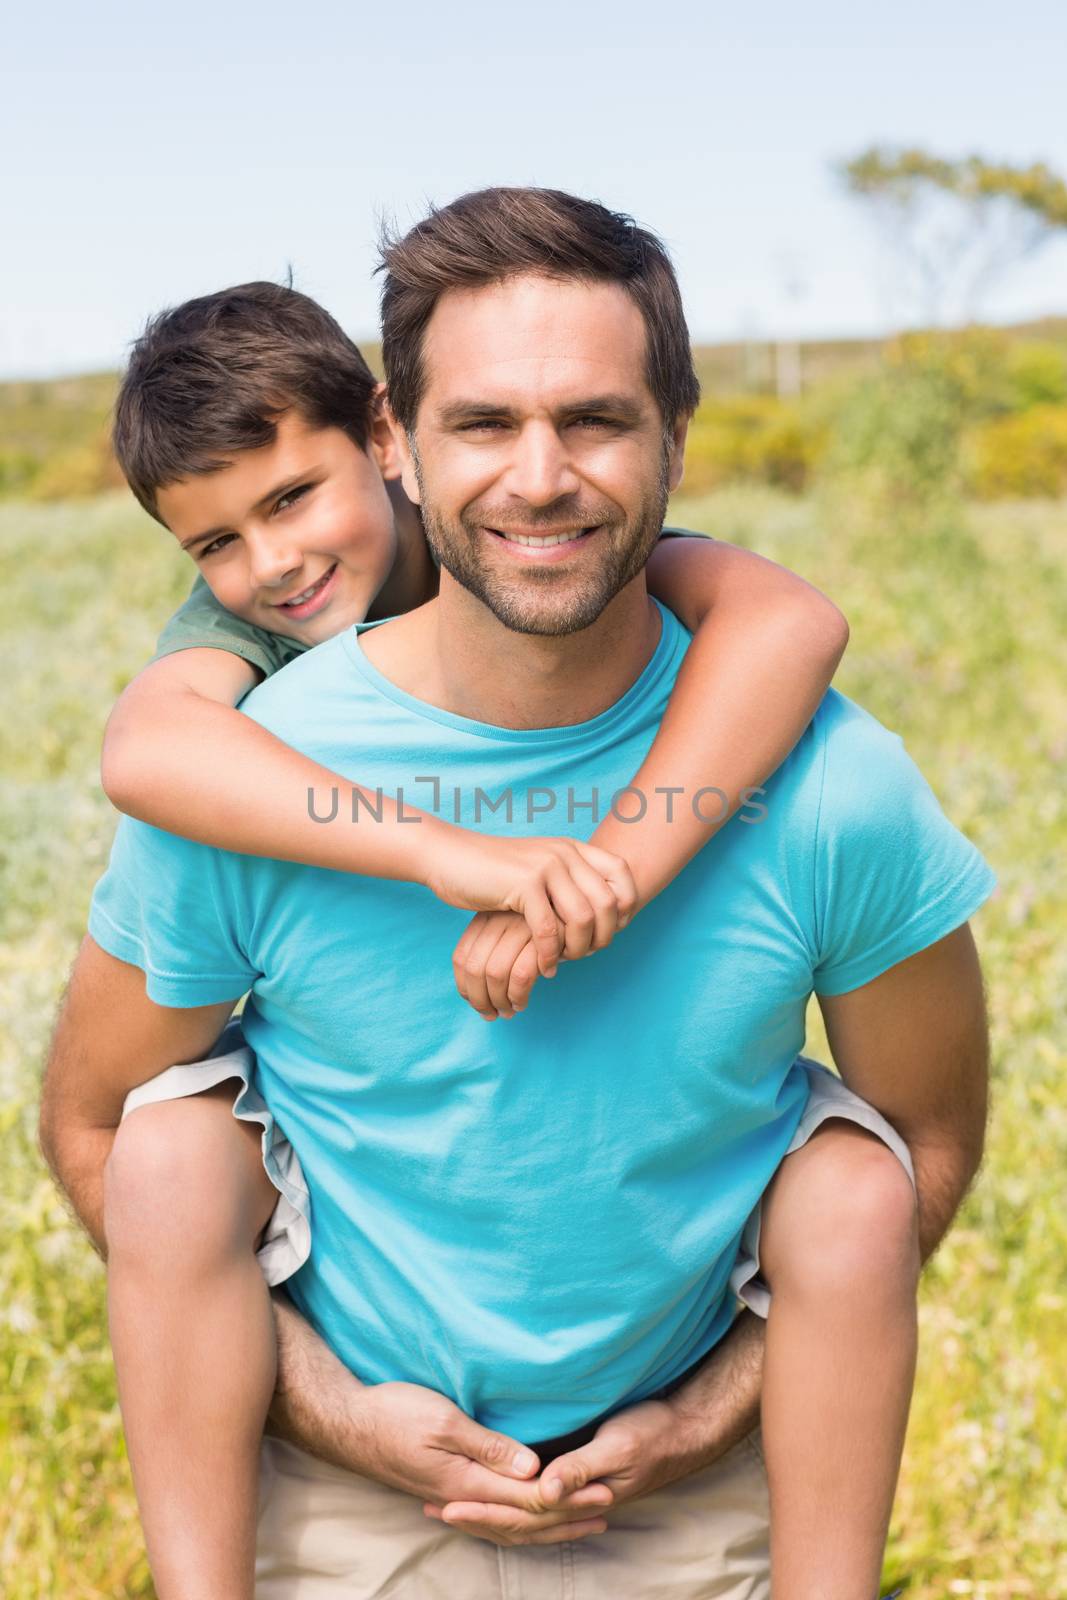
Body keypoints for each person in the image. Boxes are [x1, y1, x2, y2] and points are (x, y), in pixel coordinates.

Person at [39, 188, 995, 1600]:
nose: (539, 478)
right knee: (176, 1141)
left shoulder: (823, 776)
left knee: (854, 1178)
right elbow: (92, 1120)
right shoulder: (243, 765)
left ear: (678, 432)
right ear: (402, 437)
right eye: (482, 423)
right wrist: (334, 1413)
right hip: (340, 1498)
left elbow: (926, 1140)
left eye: (596, 420)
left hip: (698, 1507)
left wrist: (704, 1417)